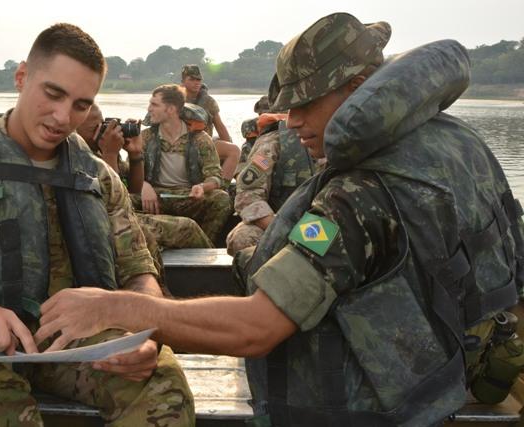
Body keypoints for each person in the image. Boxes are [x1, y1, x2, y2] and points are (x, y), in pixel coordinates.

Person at [32, 13, 524, 427]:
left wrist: (117, 308)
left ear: (357, 89)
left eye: (306, 103)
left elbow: (255, 329)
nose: (292, 121)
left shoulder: (358, 195)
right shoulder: (457, 142)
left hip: (368, 408)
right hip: (449, 369)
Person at [0, 23, 194, 426]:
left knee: (160, 381)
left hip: (68, 339)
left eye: (82, 105)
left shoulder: (97, 177)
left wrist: (145, 331)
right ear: (21, 77)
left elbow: (137, 272)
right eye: (53, 94)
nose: (63, 117)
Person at [77, 104, 213, 249]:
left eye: (102, 124)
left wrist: (135, 153)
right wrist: (110, 154)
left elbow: (134, 189)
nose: (103, 132)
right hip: (102, 220)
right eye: (94, 128)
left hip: (120, 214)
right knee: (187, 227)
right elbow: (113, 200)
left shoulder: (100, 149)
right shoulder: (78, 155)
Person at [135, 84, 231, 244]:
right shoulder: (145, 137)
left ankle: (204, 246)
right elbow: (128, 173)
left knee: (222, 199)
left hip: (188, 197)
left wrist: (202, 187)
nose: (149, 109)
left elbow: (215, 177)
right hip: (155, 197)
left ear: (171, 109)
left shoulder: (200, 138)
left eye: (154, 104)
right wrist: (144, 185)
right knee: (125, 200)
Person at [226, 107, 316, 256]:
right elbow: (248, 194)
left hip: (322, 221)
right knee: (242, 239)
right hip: (275, 219)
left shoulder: (346, 140)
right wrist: (285, 229)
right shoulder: (273, 143)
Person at [181, 64, 240, 187]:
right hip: (180, 143)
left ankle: (221, 186)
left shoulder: (208, 101)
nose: (196, 83)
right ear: (183, 81)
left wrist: (227, 143)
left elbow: (219, 125)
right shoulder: (176, 99)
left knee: (234, 150)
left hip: (204, 143)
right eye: (191, 79)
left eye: (198, 80)